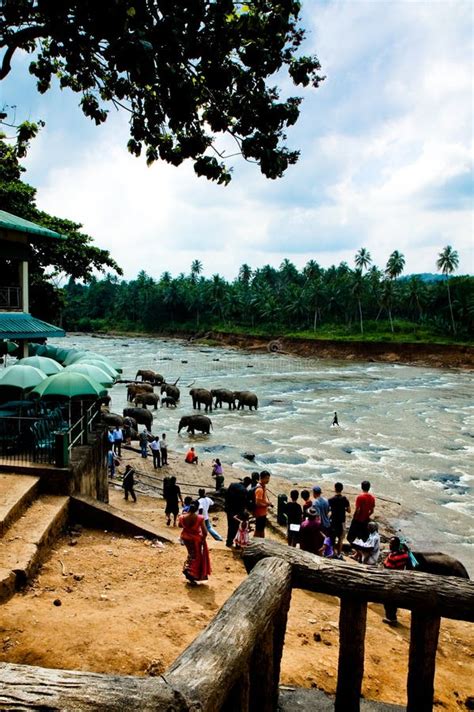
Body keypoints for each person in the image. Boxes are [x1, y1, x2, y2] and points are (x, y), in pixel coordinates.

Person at [178, 502, 211, 585]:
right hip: (195, 539)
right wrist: (203, 539)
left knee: (191, 554)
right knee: (197, 556)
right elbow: (205, 532)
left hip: (185, 538)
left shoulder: (182, 517)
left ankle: (188, 570)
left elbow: (180, 526)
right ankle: (192, 574)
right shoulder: (200, 518)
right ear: (196, 510)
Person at [382, 536, 410, 626]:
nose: (389, 545)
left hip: (390, 580)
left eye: (391, 544)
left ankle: (391, 618)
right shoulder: (404, 555)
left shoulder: (392, 556)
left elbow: (386, 565)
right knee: (393, 601)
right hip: (399, 578)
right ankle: (393, 617)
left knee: (388, 602)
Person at [224, 476, 252, 547]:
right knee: (236, 527)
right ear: (248, 484)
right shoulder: (244, 491)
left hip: (229, 508)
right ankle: (236, 543)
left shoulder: (232, 485)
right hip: (237, 511)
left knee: (230, 525)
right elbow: (244, 503)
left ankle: (229, 541)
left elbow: (226, 495)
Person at [328, 482, 351, 557]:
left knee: (333, 538)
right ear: (342, 489)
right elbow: (349, 510)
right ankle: (338, 554)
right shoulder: (344, 499)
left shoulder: (331, 499)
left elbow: (328, 510)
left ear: (335, 489)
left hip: (333, 521)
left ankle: (333, 552)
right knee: (340, 539)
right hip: (342, 521)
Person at [254, 470, 273, 538]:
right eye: (266, 478)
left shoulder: (263, 487)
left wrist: (268, 503)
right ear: (262, 478)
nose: (268, 480)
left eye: (268, 478)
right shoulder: (260, 490)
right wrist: (266, 505)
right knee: (258, 531)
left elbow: (262, 500)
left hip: (263, 513)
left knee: (261, 530)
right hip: (260, 513)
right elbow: (257, 503)